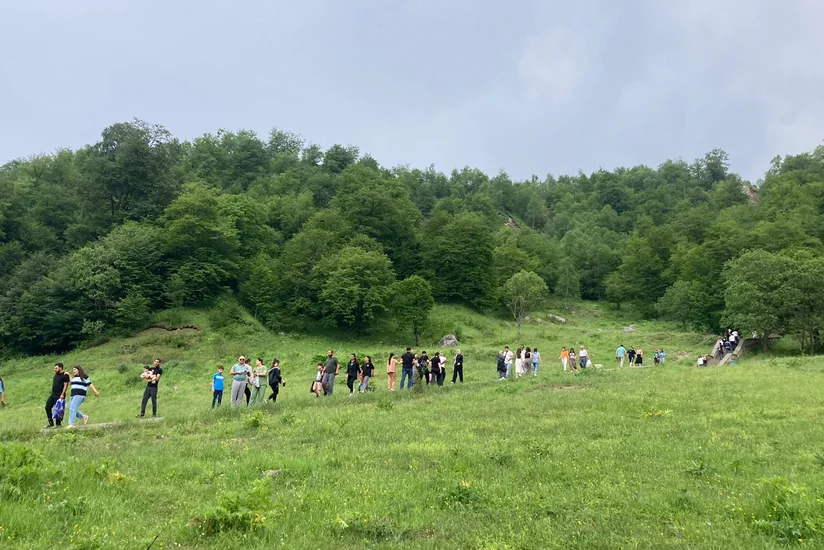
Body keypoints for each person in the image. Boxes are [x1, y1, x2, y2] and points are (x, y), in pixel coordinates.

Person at [45, 363, 70, 428]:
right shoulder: (56, 375)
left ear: (61, 368)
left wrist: (62, 394)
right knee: (47, 407)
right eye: (54, 368)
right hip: (53, 394)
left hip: (60, 395)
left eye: (56, 368)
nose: (55, 369)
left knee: (58, 409)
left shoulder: (65, 375)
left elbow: (65, 385)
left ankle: (58, 424)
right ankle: (51, 423)